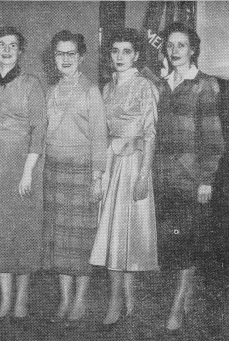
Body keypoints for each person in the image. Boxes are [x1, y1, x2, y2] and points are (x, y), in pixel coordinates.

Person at [154, 22, 224, 332]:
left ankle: (178, 304)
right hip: (164, 177)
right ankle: (185, 291)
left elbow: (213, 138)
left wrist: (207, 180)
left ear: (192, 49)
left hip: (192, 178)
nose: (175, 50)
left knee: (186, 244)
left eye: (181, 45)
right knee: (173, 242)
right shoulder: (162, 84)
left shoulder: (204, 84)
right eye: (170, 45)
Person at [89, 28, 159, 328]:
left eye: (126, 51)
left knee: (127, 237)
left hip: (134, 166)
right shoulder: (106, 89)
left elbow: (151, 133)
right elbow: (101, 134)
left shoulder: (145, 86)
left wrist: (144, 173)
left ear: (137, 55)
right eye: (115, 51)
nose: (119, 57)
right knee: (113, 236)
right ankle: (121, 299)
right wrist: (98, 174)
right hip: (111, 164)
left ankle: (123, 300)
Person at [0, 26, 47, 322]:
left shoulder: (32, 83)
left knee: (24, 229)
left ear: (20, 51)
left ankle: (21, 299)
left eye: (13, 45)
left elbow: (39, 129)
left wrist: (28, 172)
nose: (6, 49)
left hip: (23, 165)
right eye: (1, 44)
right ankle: (5, 299)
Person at [42, 30, 107, 327]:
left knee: (80, 241)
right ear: (53, 57)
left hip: (82, 172)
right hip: (54, 171)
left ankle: (79, 299)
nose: (65, 59)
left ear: (81, 57)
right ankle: (64, 298)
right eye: (60, 54)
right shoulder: (50, 91)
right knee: (59, 241)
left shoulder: (91, 90)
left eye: (70, 54)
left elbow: (99, 138)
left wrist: (97, 178)